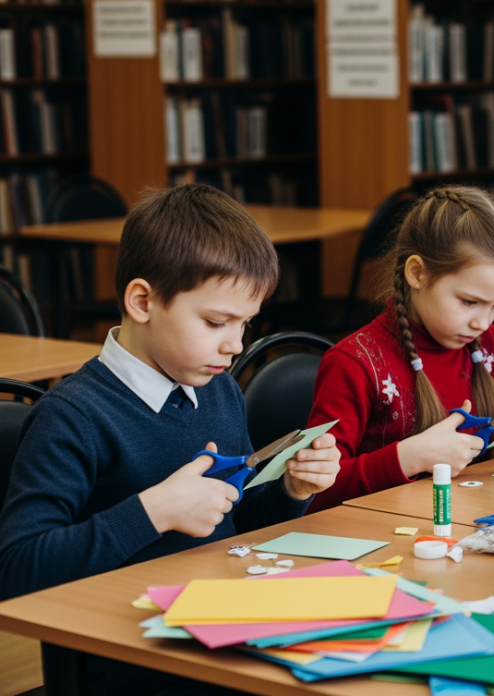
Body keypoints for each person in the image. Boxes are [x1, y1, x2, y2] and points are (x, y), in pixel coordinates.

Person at [0, 184, 343, 694]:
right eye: (215, 322)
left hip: (220, 629)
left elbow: (235, 522)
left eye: (245, 324)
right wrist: (153, 512)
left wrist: (291, 491)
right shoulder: (71, 416)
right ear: (142, 301)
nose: (234, 345)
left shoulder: (219, 391)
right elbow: (18, 570)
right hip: (128, 660)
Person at [306, 186, 494, 511]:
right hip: (384, 540)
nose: (483, 323)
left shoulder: (489, 347)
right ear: (417, 273)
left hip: (468, 526)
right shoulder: (354, 364)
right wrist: (408, 458)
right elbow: (313, 492)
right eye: (469, 302)